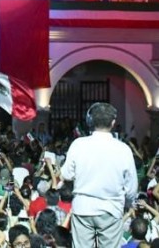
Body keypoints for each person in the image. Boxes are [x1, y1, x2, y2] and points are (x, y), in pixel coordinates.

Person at [61, 102, 138, 248]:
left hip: (83, 208)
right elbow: (131, 188)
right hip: (112, 209)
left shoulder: (78, 144)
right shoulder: (123, 149)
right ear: (113, 123)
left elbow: (66, 174)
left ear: (90, 121)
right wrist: (126, 204)